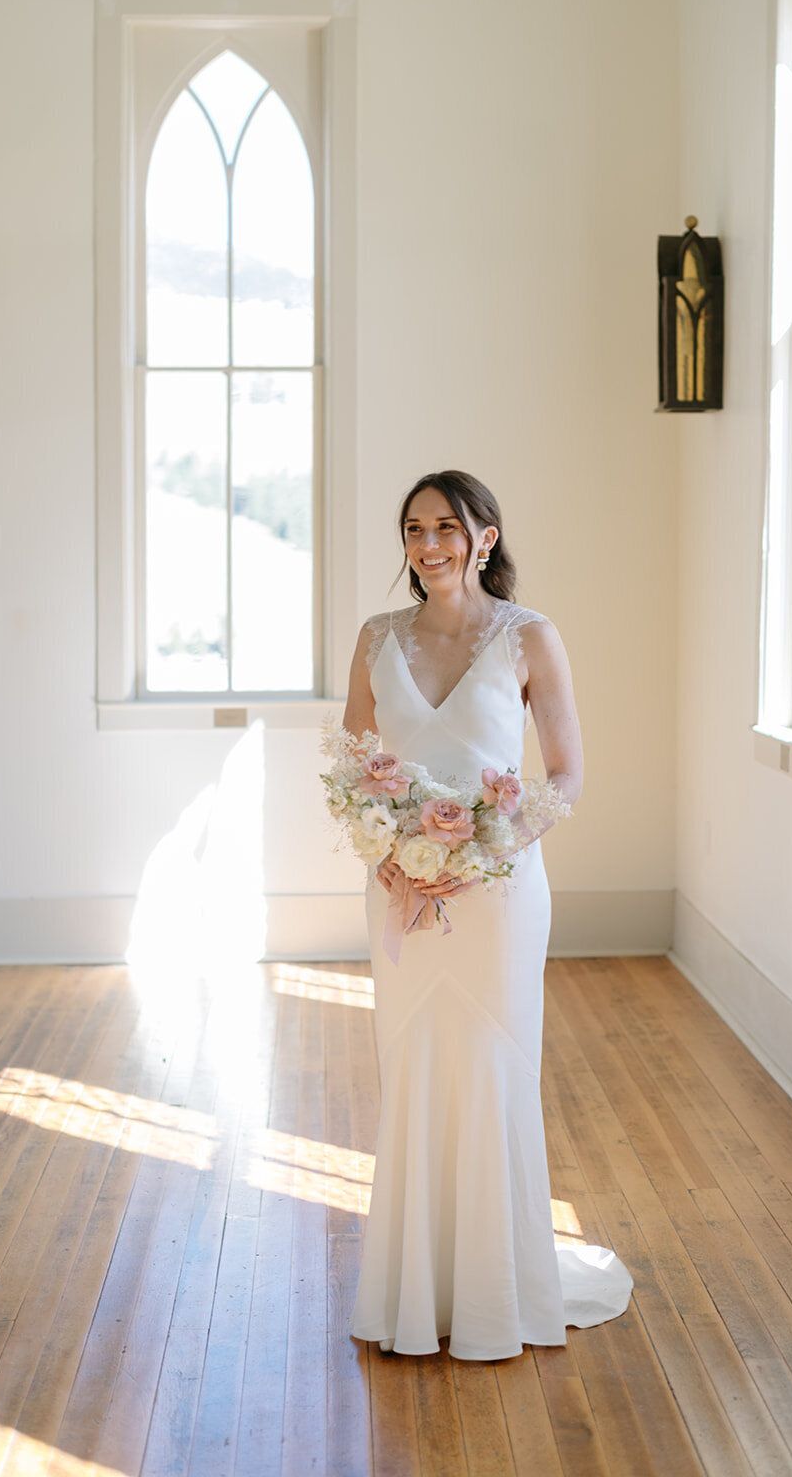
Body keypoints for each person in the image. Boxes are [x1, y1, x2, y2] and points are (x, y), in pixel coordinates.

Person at [339, 469, 632, 1360]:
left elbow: (567, 773)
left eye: (447, 528)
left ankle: (498, 1290)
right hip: (400, 888)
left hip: (499, 893)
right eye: (415, 529)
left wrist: (483, 852)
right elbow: (354, 762)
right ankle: (413, 1287)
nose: (429, 545)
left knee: (490, 1067)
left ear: (484, 538)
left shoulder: (527, 637)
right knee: (416, 1062)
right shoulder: (376, 637)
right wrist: (390, 855)